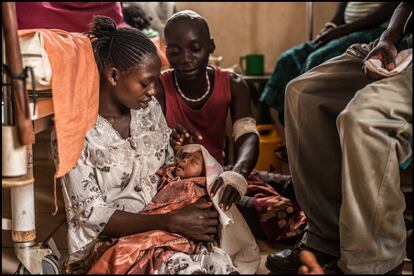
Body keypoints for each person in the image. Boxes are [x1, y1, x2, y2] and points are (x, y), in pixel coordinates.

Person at [53, 15, 245, 274]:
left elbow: (165, 172)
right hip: (114, 241)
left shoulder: (148, 111)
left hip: (168, 226)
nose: (154, 90)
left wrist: (186, 167)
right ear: (113, 75)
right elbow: (91, 217)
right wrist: (171, 221)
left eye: (155, 81)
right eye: (146, 82)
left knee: (220, 263)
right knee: (179, 268)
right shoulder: (75, 131)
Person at [266, 2, 412, 274]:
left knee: (363, 117)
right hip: (403, 44)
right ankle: (325, 238)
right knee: (303, 94)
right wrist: (387, 40)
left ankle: (375, 260)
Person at [156, 10, 306, 243]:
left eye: (195, 49)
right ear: (167, 52)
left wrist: (237, 175)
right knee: (278, 211)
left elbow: (246, 137)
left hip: (223, 170)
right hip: (189, 184)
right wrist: (169, 142)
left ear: (211, 46)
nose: (186, 58)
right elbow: (148, 148)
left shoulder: (234, 84)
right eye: (175, 52)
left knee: (298, 187)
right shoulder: (158, 88)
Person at [88, 144, 261, 274]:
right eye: (184, 158)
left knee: (218, 260)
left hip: (198, 241)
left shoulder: (203, 188)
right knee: (178, 262)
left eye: (193, 162)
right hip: (165, 237)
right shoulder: (167, 180)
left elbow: (218, 206)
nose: (184, 161)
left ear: (205, 175)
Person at [259, 2, 399, 162]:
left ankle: (305, 142)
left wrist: (341, 31)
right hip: (346, 29)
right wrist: (331, 26)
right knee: (287, 60)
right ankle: (294, 137)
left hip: (376, 33)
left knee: (317, 60)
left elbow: (393, 7)